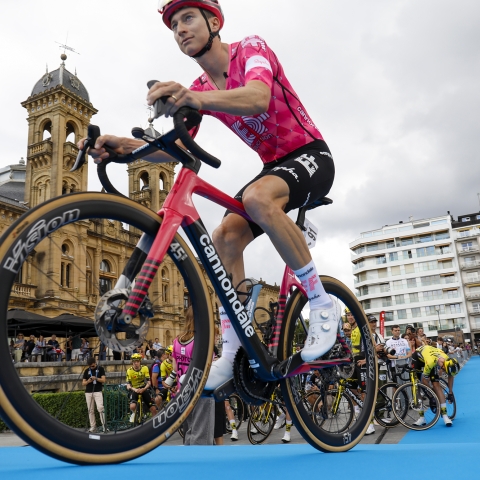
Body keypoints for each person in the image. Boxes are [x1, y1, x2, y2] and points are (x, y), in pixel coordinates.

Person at [82, 0, 339, 391]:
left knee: (256, 198)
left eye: (188, 18)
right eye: (174, 25)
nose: (180, 29)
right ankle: (233, 350)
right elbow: (175, 148)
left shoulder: (250, 49)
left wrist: (194, 99)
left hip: (312, 156)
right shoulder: (200, 88)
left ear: (214, 22)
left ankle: (321, 303)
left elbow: (257, 97)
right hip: (274, 168)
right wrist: (123, 147)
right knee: (224, 236)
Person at [170, 306, 215, 445]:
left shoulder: (176, 340)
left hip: (182, 390)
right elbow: (209, 365)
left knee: (189, 431)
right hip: (200, 389)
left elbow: (174, 367)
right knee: (201, 433)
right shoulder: (201, 340)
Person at [411, 345, 460, 427]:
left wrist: (450, 392)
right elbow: (424, 380)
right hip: (417, 358)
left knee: (436, 385)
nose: (444, 372)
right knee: (416, 387)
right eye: (444, 370)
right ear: (443, 366)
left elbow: (450, 376)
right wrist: (432, 395)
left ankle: (445, 416)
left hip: (431, 356)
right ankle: (421, 418)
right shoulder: (431, 362)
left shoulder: (447, 359)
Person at [125, 353, 157, 419]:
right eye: (134, 362)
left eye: (137, 361)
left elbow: (149, 382)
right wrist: (135, 389)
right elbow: (128, 385)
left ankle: (154, 423)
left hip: (143, 388)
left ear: (140, 362)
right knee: (132, 407)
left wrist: (144, 389)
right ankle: (136, 414)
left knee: (153, 409)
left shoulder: (145, 368)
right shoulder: (129, 371)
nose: (136, 363)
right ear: (132, 362)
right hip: (134, 389)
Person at [82, 356, 107, 433]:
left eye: (92, 366)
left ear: (95, 363)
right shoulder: (86, 371)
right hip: (88, 392)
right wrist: (88, 381)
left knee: (100, 408)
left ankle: (104, 426)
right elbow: (83, 383)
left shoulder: (101, 369)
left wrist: (96, 378)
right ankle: (93, 426)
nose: (91, 367)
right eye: (90, 366)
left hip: (97, 391)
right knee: (90, 410)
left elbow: (103, 380)